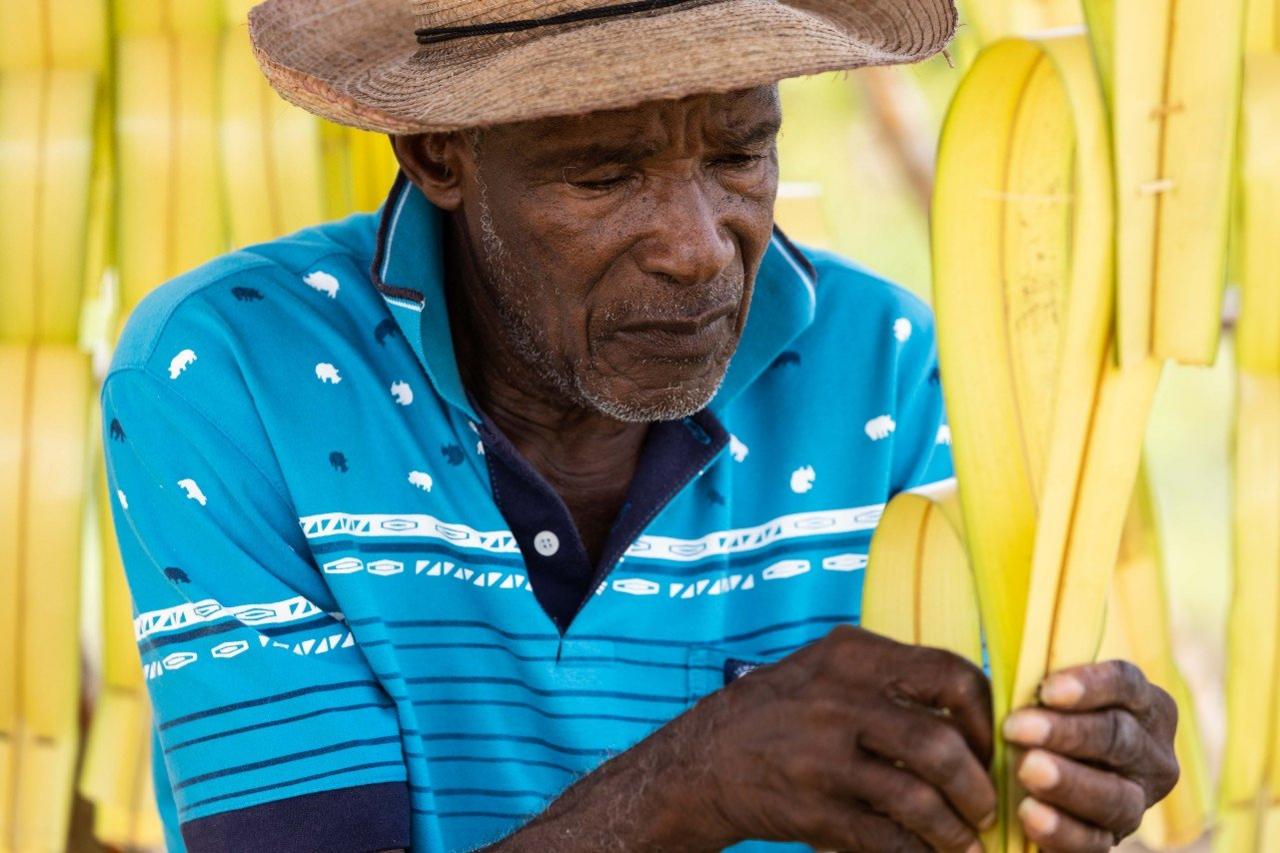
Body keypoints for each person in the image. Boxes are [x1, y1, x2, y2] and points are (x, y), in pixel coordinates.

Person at [100, 0, 1179, 851]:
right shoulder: (233, 373)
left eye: (736, 156)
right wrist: (692, 784)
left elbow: (966, 787)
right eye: (604, 174)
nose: (699, 248)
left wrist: (1066, 766)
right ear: (436, 153)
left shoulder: (892, 370)